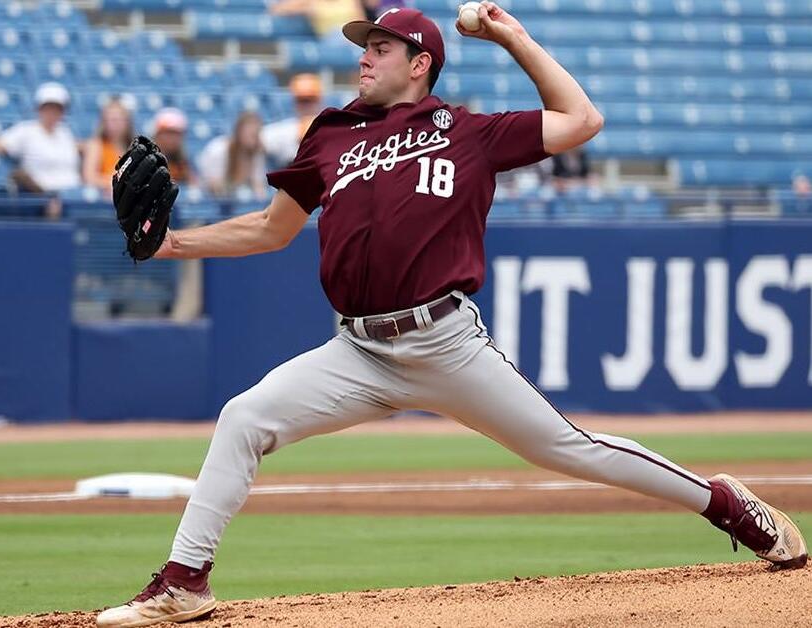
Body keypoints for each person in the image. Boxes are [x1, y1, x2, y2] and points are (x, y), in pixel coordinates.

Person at [96, 4, 807, 627]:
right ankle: (184, 582)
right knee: (243, 418)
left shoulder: (464, 130)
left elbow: (582, 120)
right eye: (362, 45)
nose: (362, 57)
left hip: (444, 342)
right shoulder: (332, 135)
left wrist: (514, 39)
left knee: (565, 447)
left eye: (378, 47)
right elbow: (272, 228)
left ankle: (722, 504)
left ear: (419, 62)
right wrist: (171, 245)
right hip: (357, 352)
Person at [0, 82, 80, 215]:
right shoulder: (27, 130)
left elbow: (80, 147)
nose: (53, 113)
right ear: (39, 109)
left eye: (57, 108)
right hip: (41, 197)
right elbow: (1, 144)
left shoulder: (65, 133)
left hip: (71, 194)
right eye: (48, 108)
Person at [197, 111, 267, 198]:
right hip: (212, 199)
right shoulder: (218, 150)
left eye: (256, 134)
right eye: (251, 134)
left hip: (238, 199)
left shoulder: (256, 152)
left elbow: (259, 188)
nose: (254, 138)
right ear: (239, 132)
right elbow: (214, 186)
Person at [260, 73, 325, 168]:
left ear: (319, 101)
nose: (306, 105)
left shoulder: (330, 127)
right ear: (294, 101)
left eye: (310, 100)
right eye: (302, 100)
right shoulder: (285, 129)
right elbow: (256, 140)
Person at [82, 98, 134, 191]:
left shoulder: (133, 149)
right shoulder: (97, 145)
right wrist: (113, 183)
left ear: (127, 122)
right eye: (108, 120)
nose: (113, 125)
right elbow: (89, 177)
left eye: (117, 120)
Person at [151, 107, 198, 186]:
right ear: (157, 134)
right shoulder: (148, 161)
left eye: (176, 134)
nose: (172, 139)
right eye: (168, 133)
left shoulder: (187, 164)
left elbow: (195, 188)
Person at [270, 0, 364, 38]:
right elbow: (277, 9)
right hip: (327, 37)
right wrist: (304, 9)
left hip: (350, 35)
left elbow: (361, 21)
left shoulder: (351, 1)